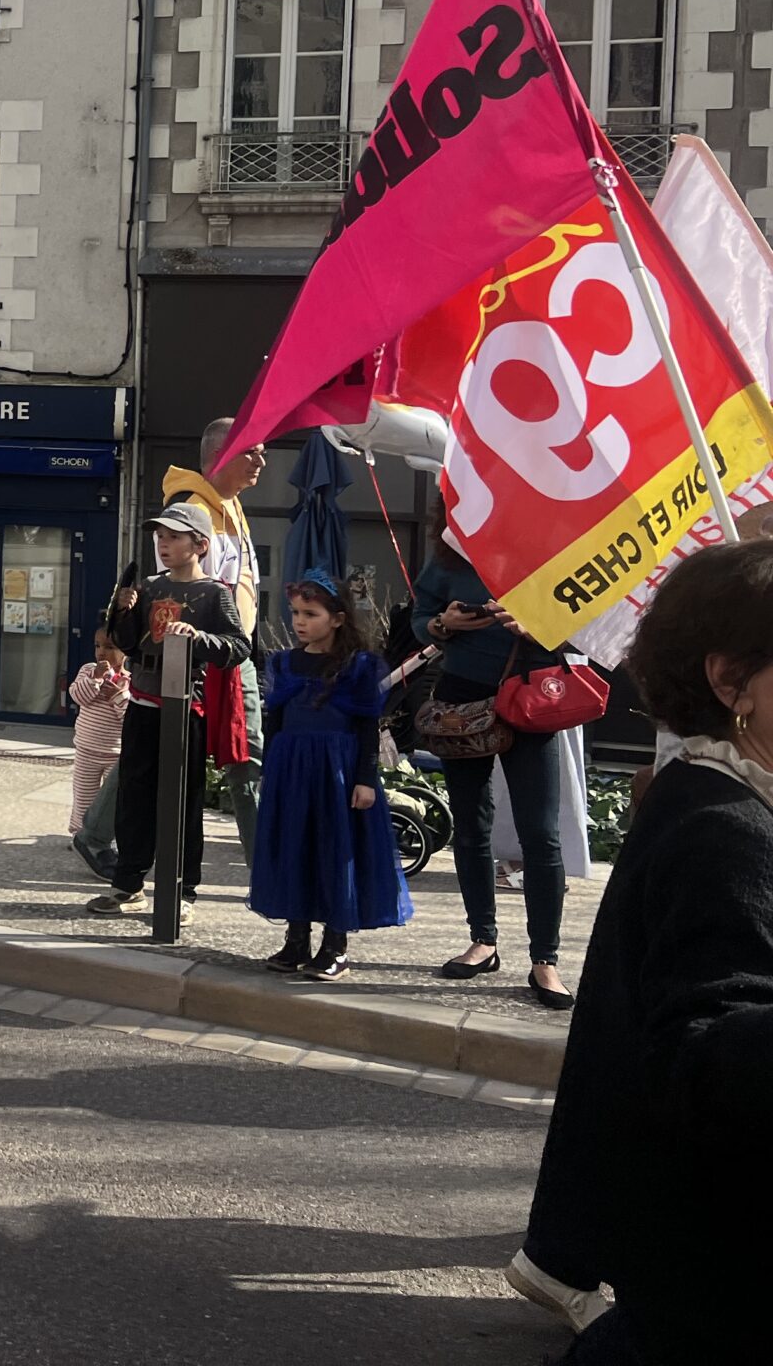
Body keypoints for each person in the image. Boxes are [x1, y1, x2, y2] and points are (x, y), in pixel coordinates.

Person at [524, 541, 773, 1362]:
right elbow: (713, 1055)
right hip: (719, 1283)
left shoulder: (725, 798)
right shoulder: (722, 830)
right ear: (730, 680)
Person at [411, 496, 576, 1009]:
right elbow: (420, 617)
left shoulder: (550, 548)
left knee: (540, 833)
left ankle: (545, 959)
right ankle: (482, 940)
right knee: (471, 824)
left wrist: (537, 627)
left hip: (529, 695)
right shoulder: (449, 553)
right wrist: (443, 626)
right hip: (462, 698)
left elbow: (581, 622)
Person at [88, 503, 253, 918]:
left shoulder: (215, 593)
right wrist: (123, 610)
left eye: (174, 537)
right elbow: (127, 642)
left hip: (185, 708)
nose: (163, 544)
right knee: (133, 797)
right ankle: (128, 884)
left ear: (200, 545)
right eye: (160, 536)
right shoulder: (148, 586)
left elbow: (239, 646)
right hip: (142, 701)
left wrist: (198, 638)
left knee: (183, 800)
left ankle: (182, 890)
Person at [247, 572, 412, 981]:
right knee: (295, 848)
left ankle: (335, 945)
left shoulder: (359, 666)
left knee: (335, 850)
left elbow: (367, 727)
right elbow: (275, 722)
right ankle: (296, 939)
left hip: (336, 773)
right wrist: (269, 771)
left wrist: (364, 779)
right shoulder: (284, 662)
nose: (299, 622)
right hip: (292, 771)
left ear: (337, 619)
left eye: (311, 614)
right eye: (296, 613)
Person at [162, 420, 268, 861]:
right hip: (210, 654)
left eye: (262, 453)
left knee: (228, 751)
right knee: (241, 752)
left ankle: (94, 835)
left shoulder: (230, 505)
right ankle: (264, 860)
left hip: (229, 650)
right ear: (222, 454)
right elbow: (182, 590)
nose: (261, 462)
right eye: (252, 452)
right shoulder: (194, 510)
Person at [67, 628, 130, 850]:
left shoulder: (130, 680)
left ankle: (108, 838)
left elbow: (130, 718)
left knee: (112, 800)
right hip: (86, 749)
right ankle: (79, 836)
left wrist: (118, 696)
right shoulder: (88, 670)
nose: (101, 652)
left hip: (115, 753)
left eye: (110, 647)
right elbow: (78, 696)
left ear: (126, 650)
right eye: (97, 646)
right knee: (83, 796)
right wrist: (94, 679)